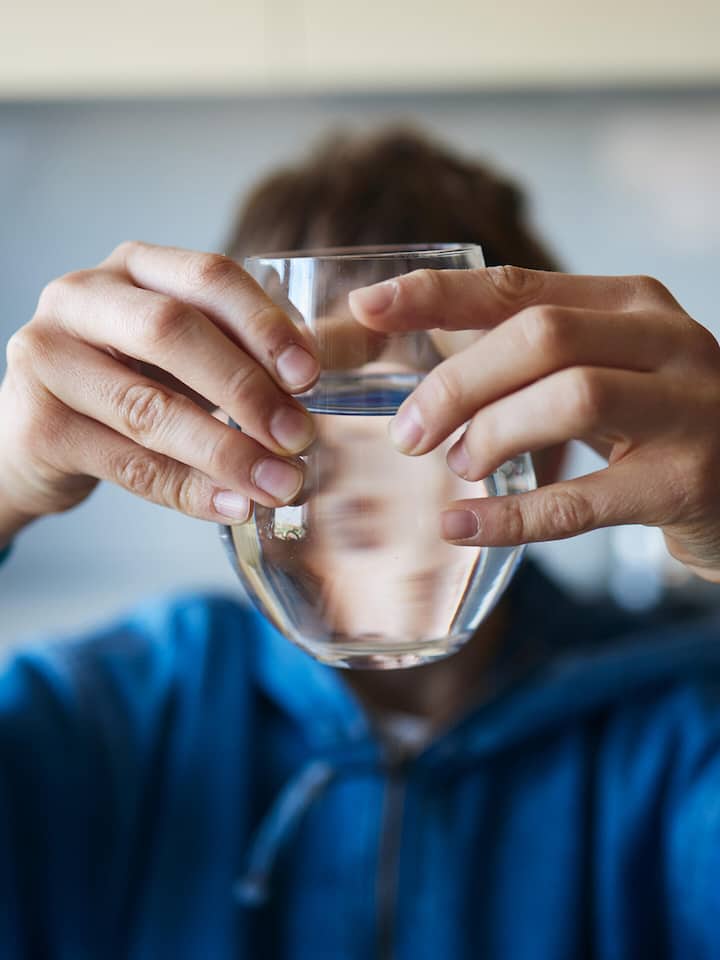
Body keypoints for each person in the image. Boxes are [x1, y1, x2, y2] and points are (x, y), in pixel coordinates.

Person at [0, 128, 719, 958]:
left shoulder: (676, 723)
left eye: (426, 397)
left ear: (550, 434)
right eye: (288, 392)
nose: (337, 456)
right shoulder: (100, 719)